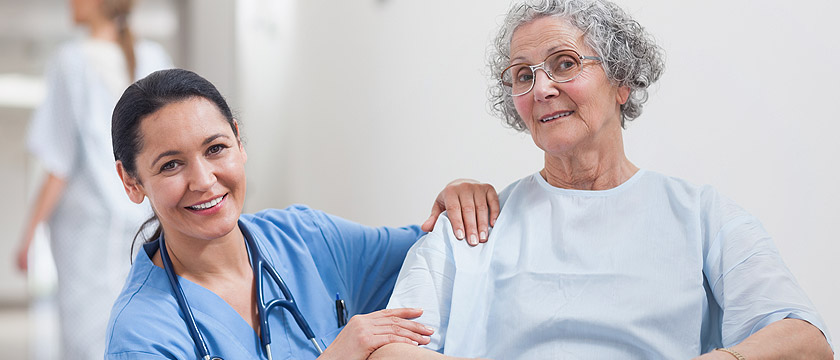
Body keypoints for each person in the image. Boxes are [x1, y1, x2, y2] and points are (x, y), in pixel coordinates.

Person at [380, 0, 834, 359]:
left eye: (563, 64)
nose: (541, 89)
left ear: (622, 81)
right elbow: (388, 349)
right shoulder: (470, 225)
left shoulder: (701, 215)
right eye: (523, 74)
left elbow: (805, 340)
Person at [104, 68, 498, 359]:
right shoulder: (142, 334)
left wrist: (459, 199)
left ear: (240, 142)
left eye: (216, 149)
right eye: (171, 165)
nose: (204, 180)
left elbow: (439, 250)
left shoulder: (305, 239)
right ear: (132, 181)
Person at [14, 0, 172, 357]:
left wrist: (27, 236)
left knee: (88, 337)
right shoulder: (155, 56)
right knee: (142, 325)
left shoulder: (71, 61)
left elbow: (59, 162)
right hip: (146, 219)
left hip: (86, 230)